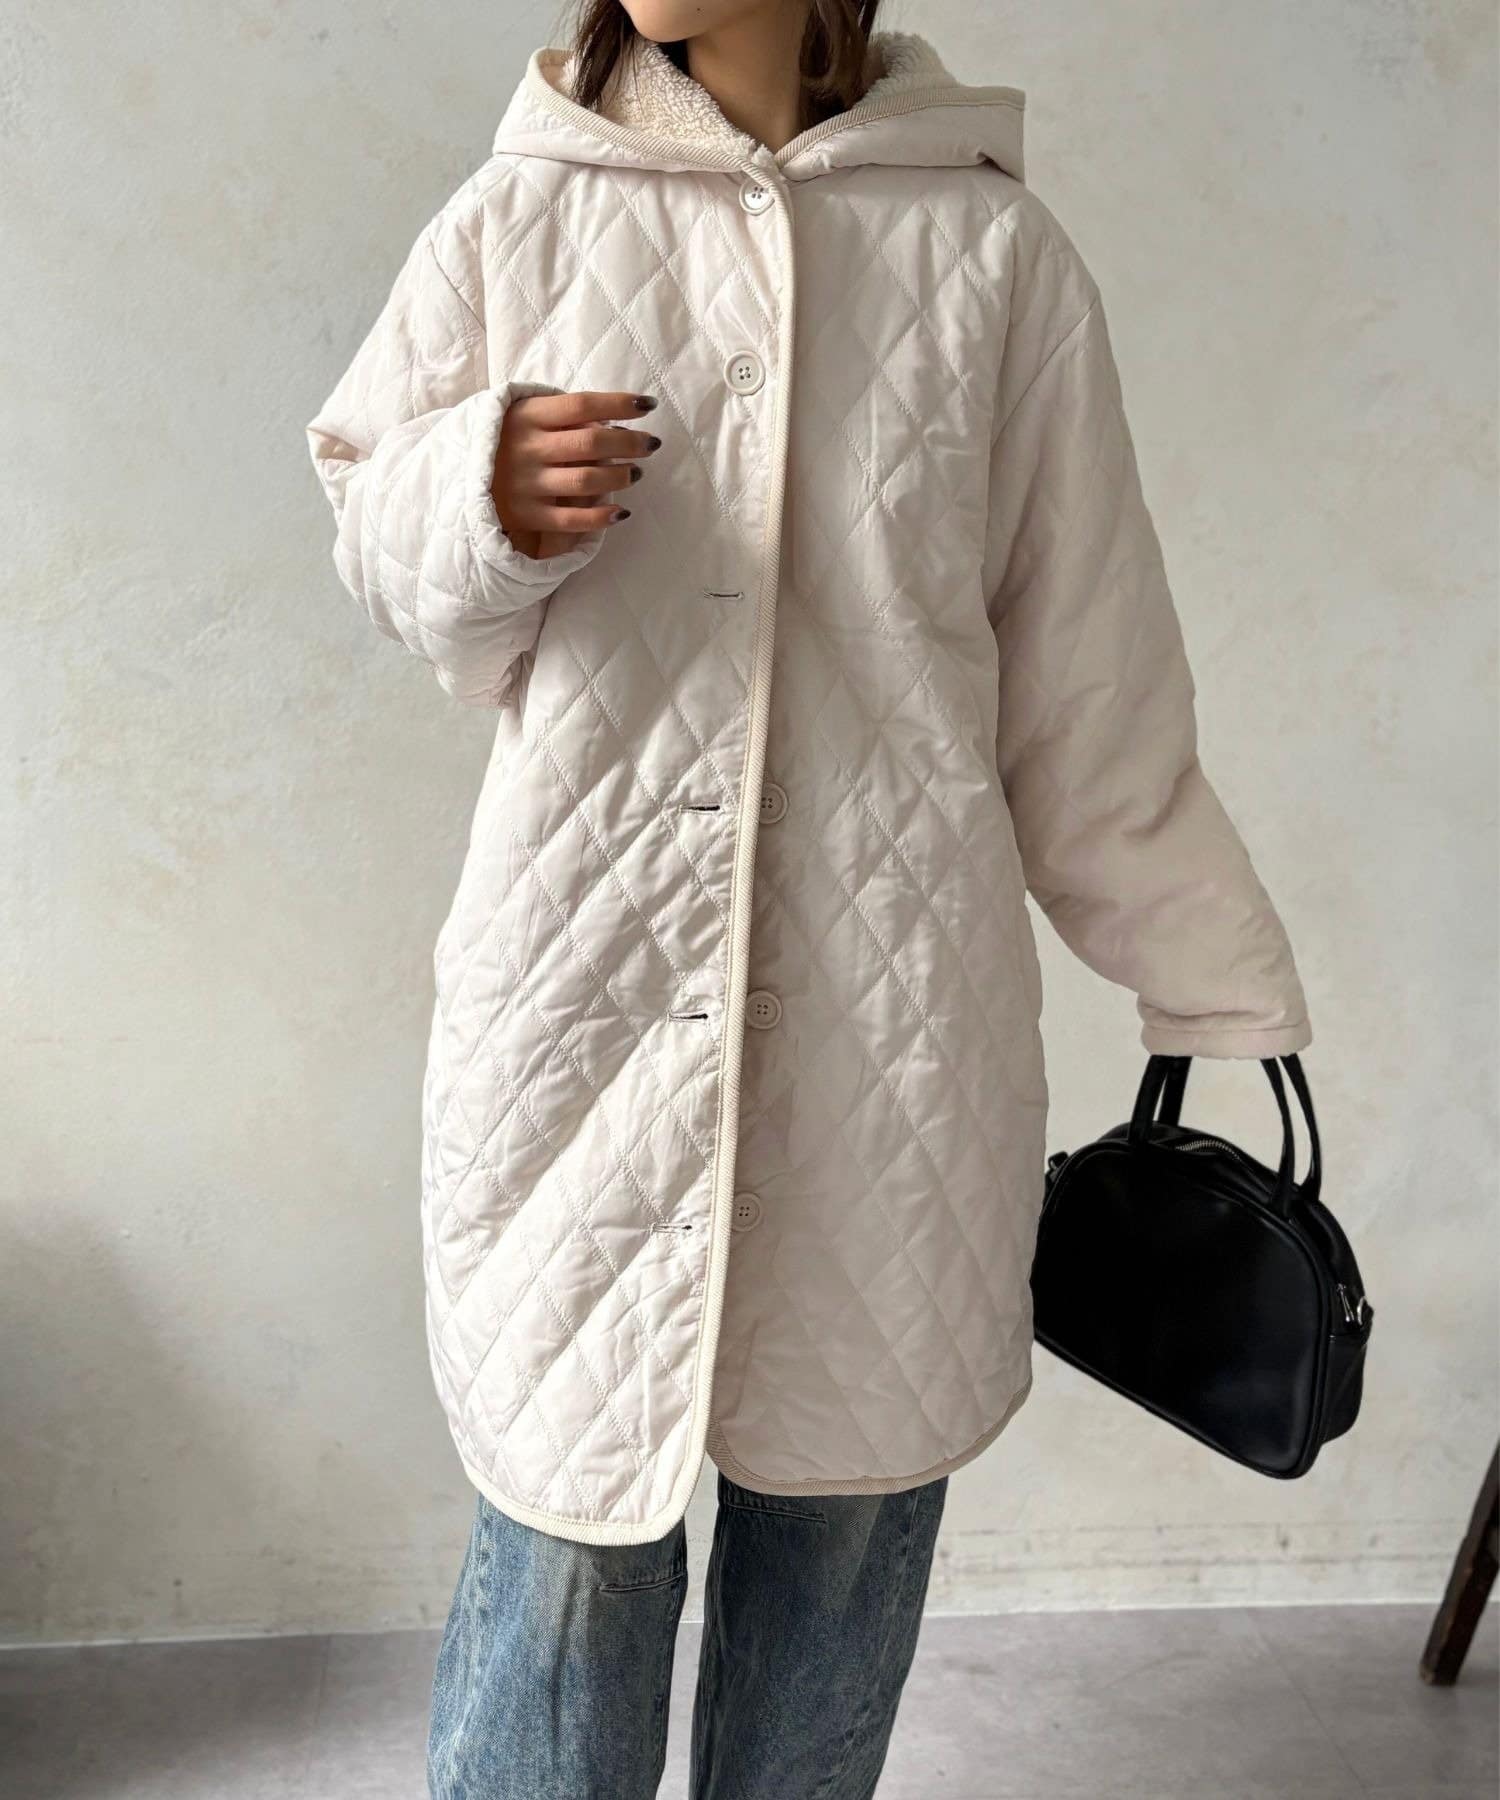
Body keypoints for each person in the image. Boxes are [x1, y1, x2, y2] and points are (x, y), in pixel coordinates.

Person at [304, 2, 1313, 1794]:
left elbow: (1088, 679)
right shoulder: (523, 212)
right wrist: (475, 494)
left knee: (843, 1532)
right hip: (583, 1008)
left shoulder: (994, 254)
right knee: (568, 1540)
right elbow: (368, 516)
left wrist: (1210, 983)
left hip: (897, 1023)